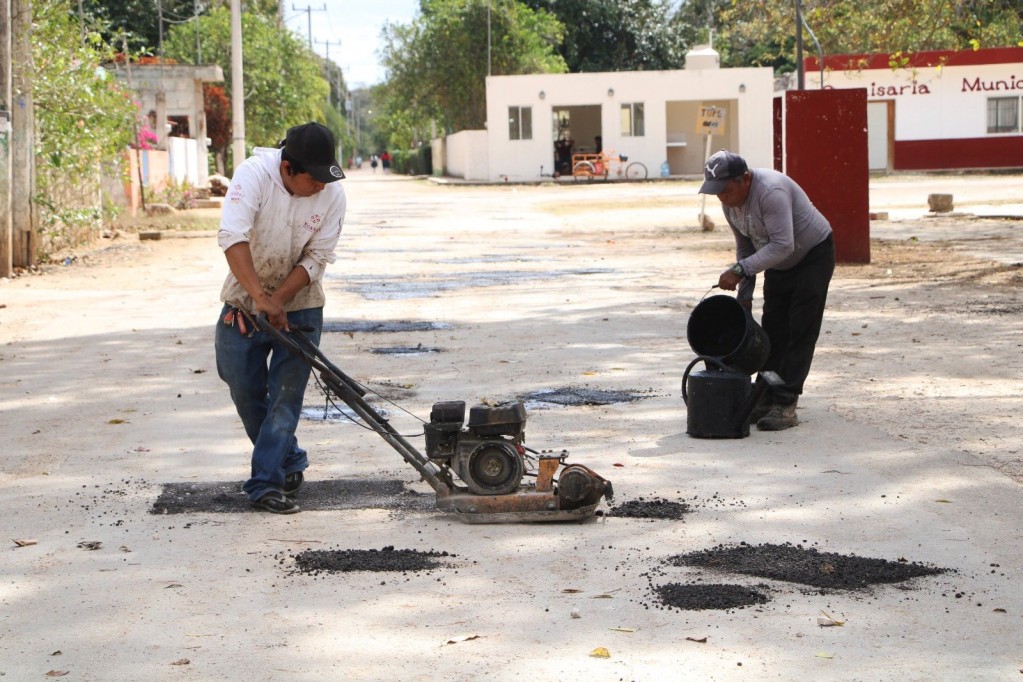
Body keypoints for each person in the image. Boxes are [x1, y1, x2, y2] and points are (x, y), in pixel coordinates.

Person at [215, 122, 347, 514]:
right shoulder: (253, 176)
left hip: (302, 304)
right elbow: (232, 236)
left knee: (286, 399)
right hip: (244, 300)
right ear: (288, 168)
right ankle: (288, 458)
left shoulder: (333, 195)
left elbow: (317, 257)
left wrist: (279, 299)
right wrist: (259, 297)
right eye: (314, 179)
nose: (322, 186)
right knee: (241, 385)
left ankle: (265, 483)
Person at [699, 150, 835, 431]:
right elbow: (746, 248)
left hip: (811, 256)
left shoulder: (770, 192)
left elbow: (784, 244)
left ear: (745, 179)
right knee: (772, 333)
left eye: (725, 190)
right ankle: (765, 395)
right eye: (716, 192)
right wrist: (745, 296)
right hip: (778, 262)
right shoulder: (729, 205)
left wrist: (739, 271)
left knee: (800, 330)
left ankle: (785, 403)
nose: (722, 198)